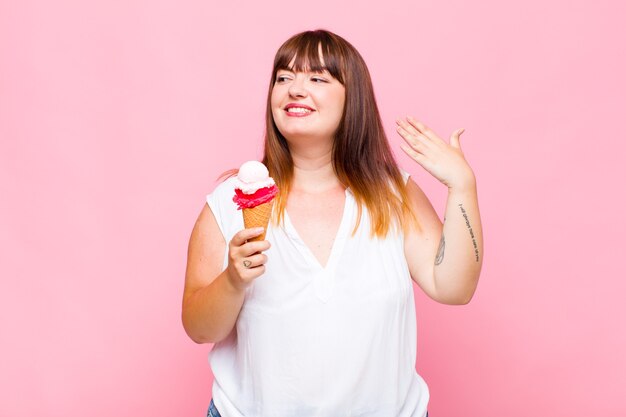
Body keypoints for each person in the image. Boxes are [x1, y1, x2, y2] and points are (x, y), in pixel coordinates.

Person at [182, 29, 483, 417]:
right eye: (283, 78)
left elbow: (453, 287)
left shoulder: (394, 196)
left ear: (352, 98)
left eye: (317, 79)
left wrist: (462, 187)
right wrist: (233, 280)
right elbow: (198, 327)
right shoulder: (230, 201)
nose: (294, 89)